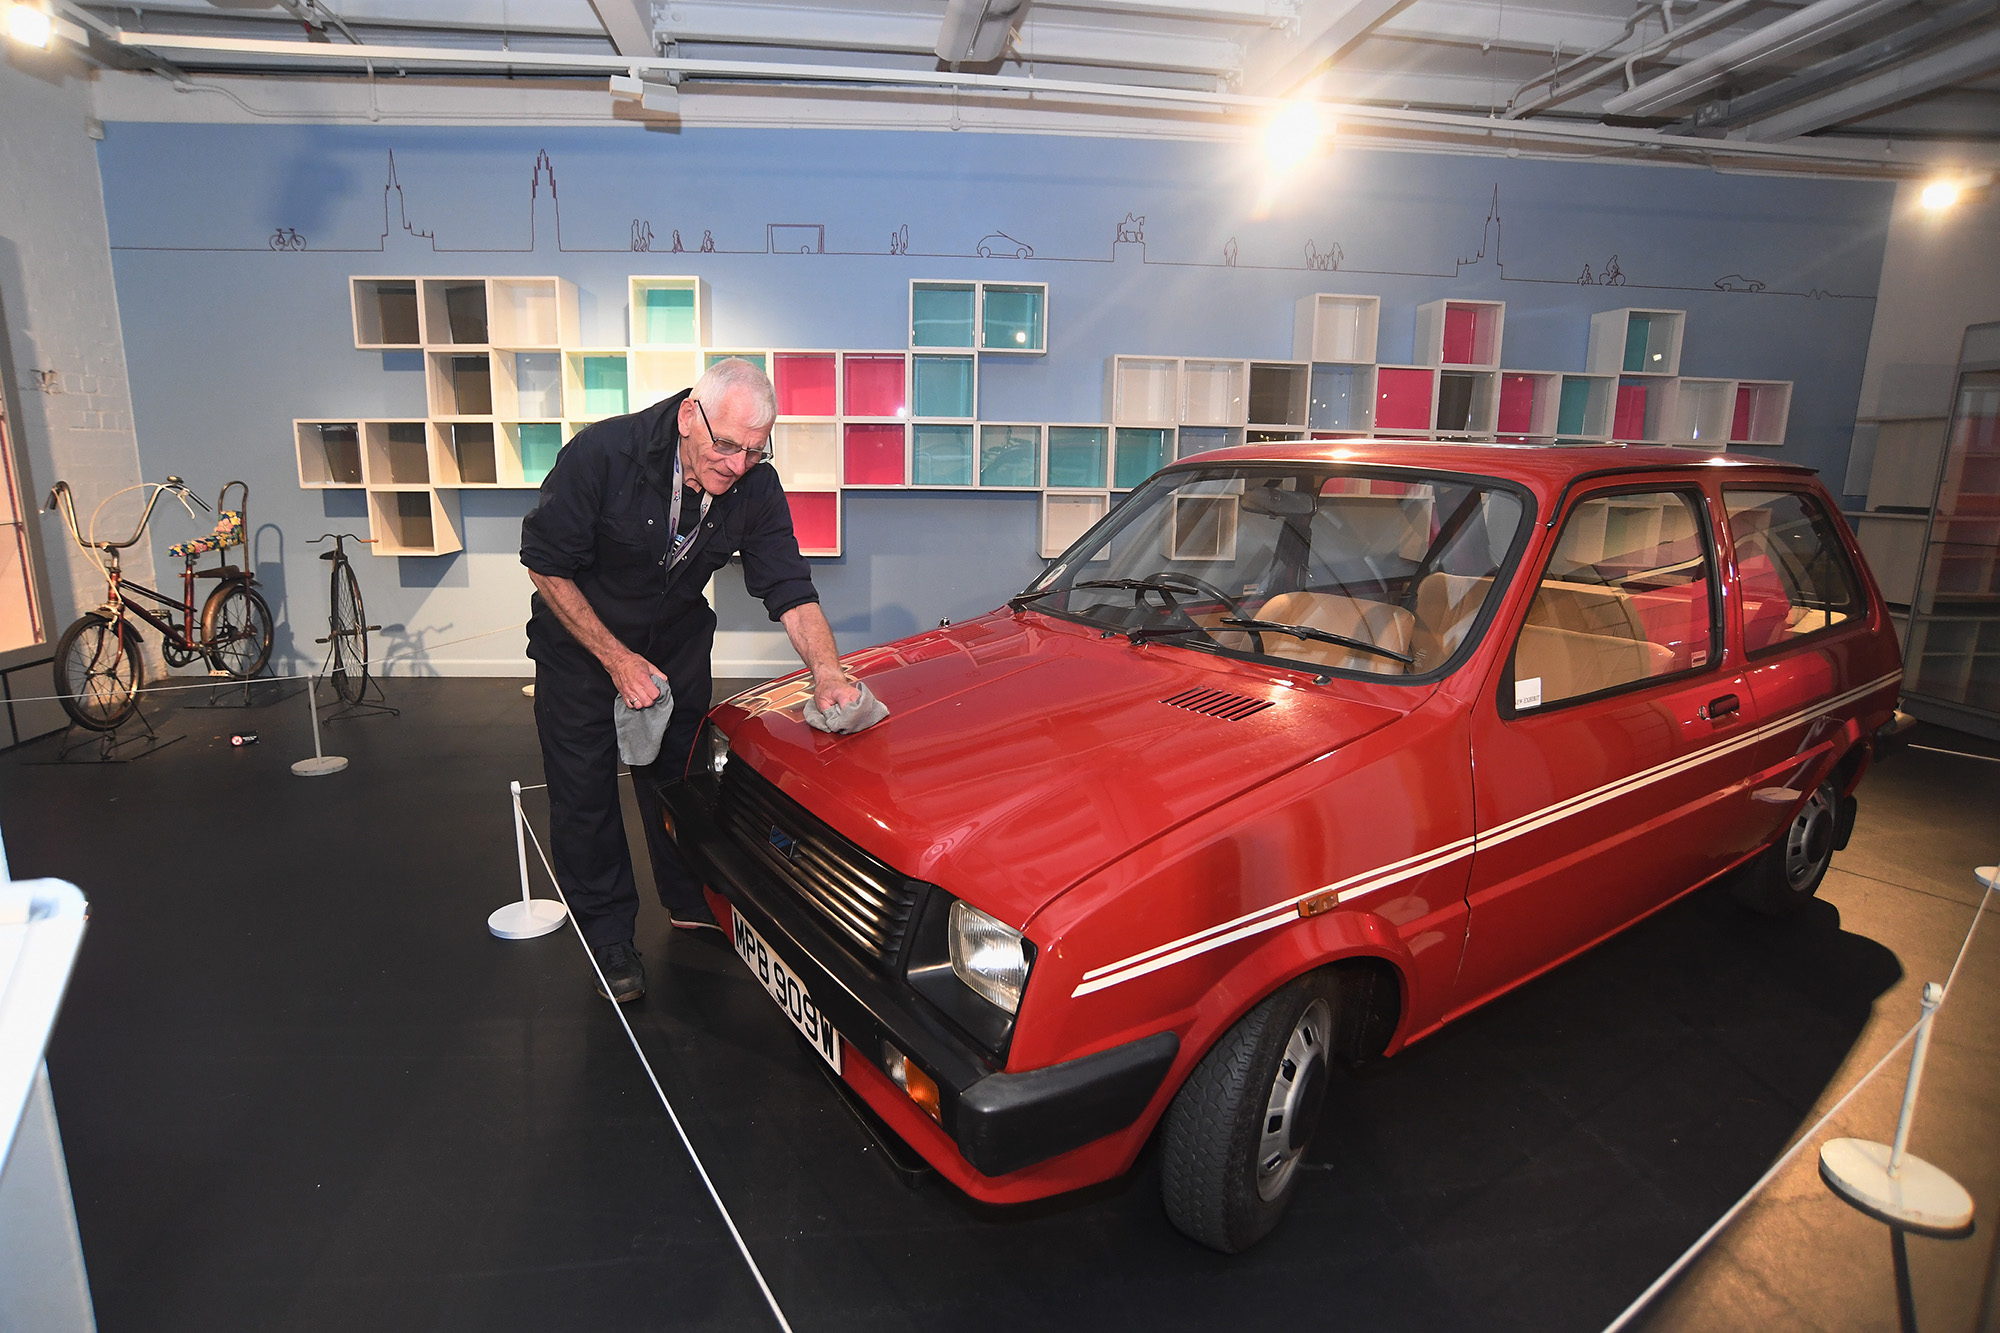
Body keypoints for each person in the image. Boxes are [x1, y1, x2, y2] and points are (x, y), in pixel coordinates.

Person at [519, 358, 860, 1002]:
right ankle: (609, 934)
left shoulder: (755, 484)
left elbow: (789, 588)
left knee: (679, 783)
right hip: (583, 650)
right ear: (687, 416)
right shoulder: (602, 454)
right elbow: (545, 564)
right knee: (585, 798)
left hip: (674, 647)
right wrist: (616, 660)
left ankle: (687, 898)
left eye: (754, 451)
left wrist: (827, 672)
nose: (736, 466)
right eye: (726, 445)